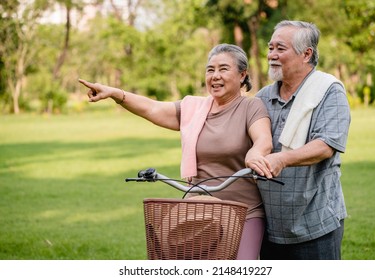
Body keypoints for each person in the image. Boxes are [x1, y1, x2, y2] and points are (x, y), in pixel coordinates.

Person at [79, 43, 273, 260]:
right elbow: (152, 108)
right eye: (210, 70)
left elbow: (263, 139)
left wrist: (256, 153)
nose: (215, 76)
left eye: (223, 69)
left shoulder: (251, 107)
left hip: (243, 211)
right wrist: (115, 93)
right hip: (198, 211)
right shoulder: (194, 108)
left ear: (242, 75)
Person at [247, 20, 351, 260]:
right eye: (270, 48)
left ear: (306, 54)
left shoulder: (329, 90)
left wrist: (282, 159)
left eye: (280, 49)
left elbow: (326, 145)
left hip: (316, 224)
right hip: (270, 226)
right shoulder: (262, 97)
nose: (271, 55)